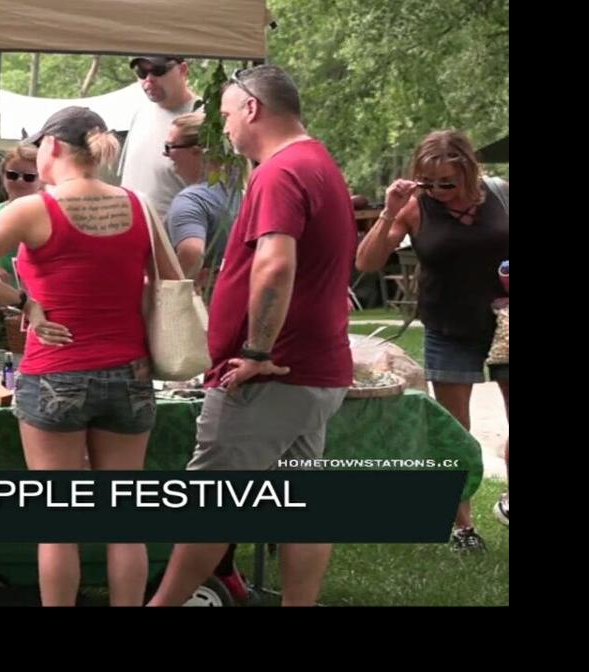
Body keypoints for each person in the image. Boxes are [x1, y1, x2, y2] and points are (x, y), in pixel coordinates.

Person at [0, 106, 178, 606]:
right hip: (129, 372)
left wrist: (24, 301)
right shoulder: (139, 206)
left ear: (52, 147)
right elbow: (173, 282)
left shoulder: (34, 209)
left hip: (56, 373)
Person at [148, 66, 355, 607]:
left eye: (227, 115)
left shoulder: (279, 171)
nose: (226, 128)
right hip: (315, 366)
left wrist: (256, 352)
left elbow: (275, 266)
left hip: (274, 373)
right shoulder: (319, 162)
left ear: (253, 110)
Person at [355, 130, 509, 548]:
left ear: (469, 170)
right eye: (430, 182)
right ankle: (464, 528)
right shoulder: (413, 207)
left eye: (448, 182)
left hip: (505, 325)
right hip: (448, 326)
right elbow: (366, 262)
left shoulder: (500, 195)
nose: (439, 191)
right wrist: (388, 212)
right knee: (456, 432)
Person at [164, 112, 240, 291]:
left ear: (196, 151)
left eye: (170, 147)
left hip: (205, 309)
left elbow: (192, 251)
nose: (165, 154)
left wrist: (176, 287)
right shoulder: (240, 192)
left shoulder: (191, 200)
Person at [118, 55, 200, 218]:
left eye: (158, 70)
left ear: (183, 70)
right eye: (141, 72)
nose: (149, 79)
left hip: (181, 238)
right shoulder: (141, 113)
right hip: (134, 233)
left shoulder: (204, 118)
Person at [0, 145, 46, 285]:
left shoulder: (56, 216)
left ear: (42, 180)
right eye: (12, 175)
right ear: (2, 176)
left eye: (29, 177)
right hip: (8, 299)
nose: (19, 181)